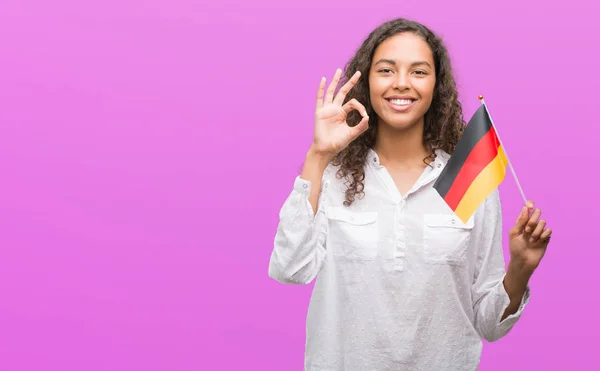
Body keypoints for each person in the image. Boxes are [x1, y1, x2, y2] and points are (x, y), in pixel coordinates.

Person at [268, 18, 552, 371]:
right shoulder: (332, 176)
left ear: (436, 86)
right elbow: (289, 269)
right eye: (386, 70)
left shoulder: (468, 180)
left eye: (419, 72)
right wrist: (318, 154)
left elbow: (488, 325)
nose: (401, 83)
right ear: (368, 81)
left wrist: (521, 269)